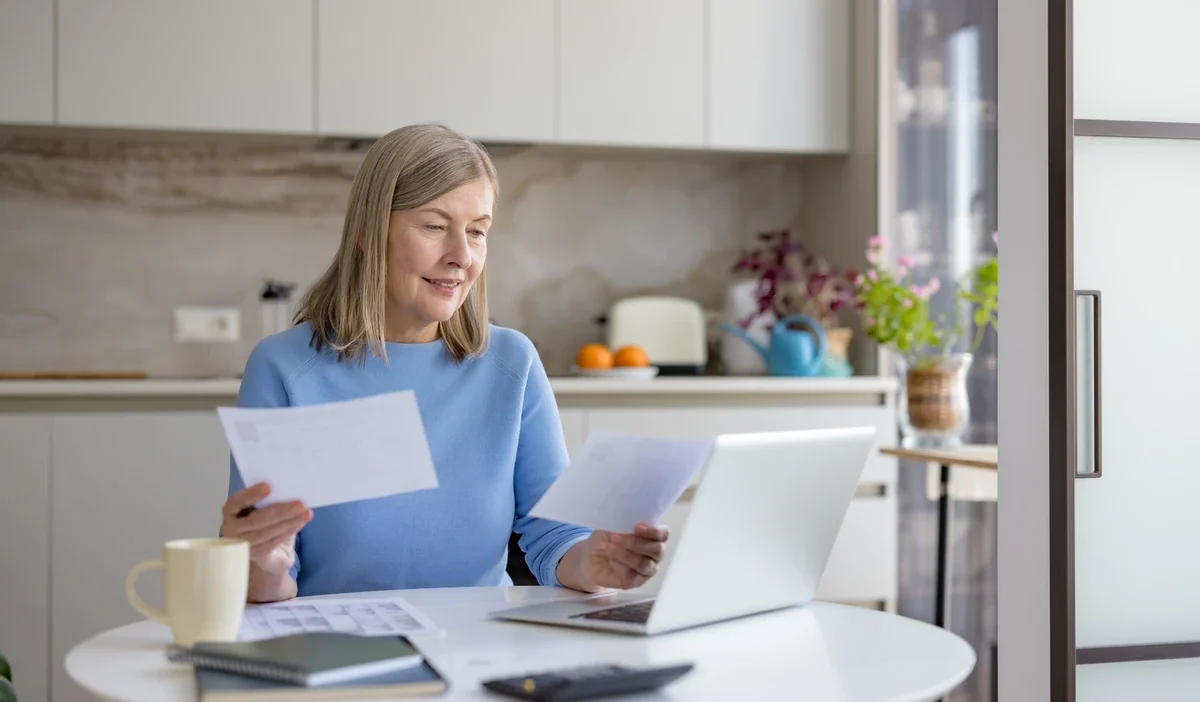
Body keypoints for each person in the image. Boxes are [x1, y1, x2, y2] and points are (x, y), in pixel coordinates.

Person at [219, 124, 669, 604]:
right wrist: (256, 566)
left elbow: (555, 541)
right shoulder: (285, 369)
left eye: (477, 231)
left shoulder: (511, 364)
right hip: (340, 648)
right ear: (371, 232)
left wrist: (596, 562)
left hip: (481, 644)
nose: (461, 256)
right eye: (435, 226)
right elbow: (271, 572)